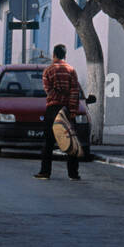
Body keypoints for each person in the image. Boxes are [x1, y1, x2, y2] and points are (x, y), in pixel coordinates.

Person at [38, 44, 83, 180]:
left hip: (53, 108)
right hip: (68, 109)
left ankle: (45, 172)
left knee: (49, 142)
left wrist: (57, 97)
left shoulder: (48, 71)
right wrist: (73, 110)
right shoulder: (71, 70)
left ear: (54, 55)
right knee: (70, 140)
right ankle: (73, 174)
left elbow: (48, 90)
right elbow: (75, 91)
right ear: (65, 55)